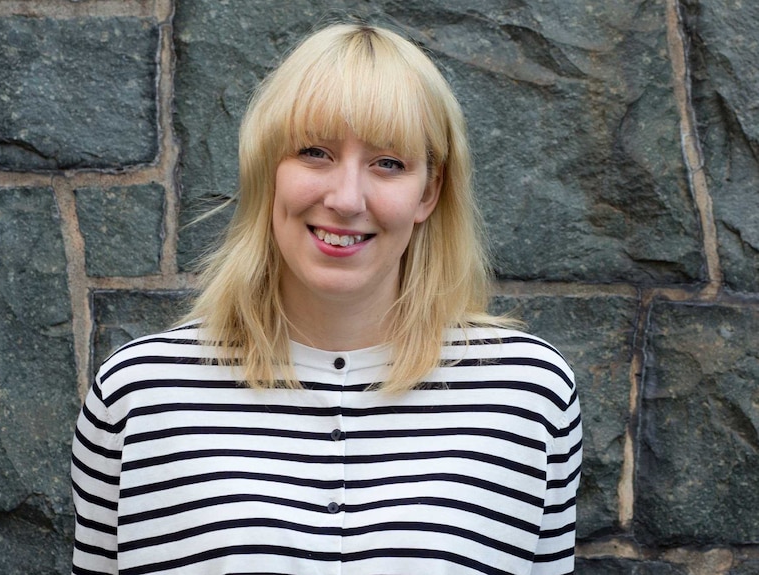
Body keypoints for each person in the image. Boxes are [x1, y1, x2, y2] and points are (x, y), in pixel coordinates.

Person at [71, 23, 582, 575]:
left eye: (389, 163)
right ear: (268, 170)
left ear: (429, 192)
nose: (345, 198)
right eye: (314, 152)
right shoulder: (138, 396)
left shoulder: (529, 396)